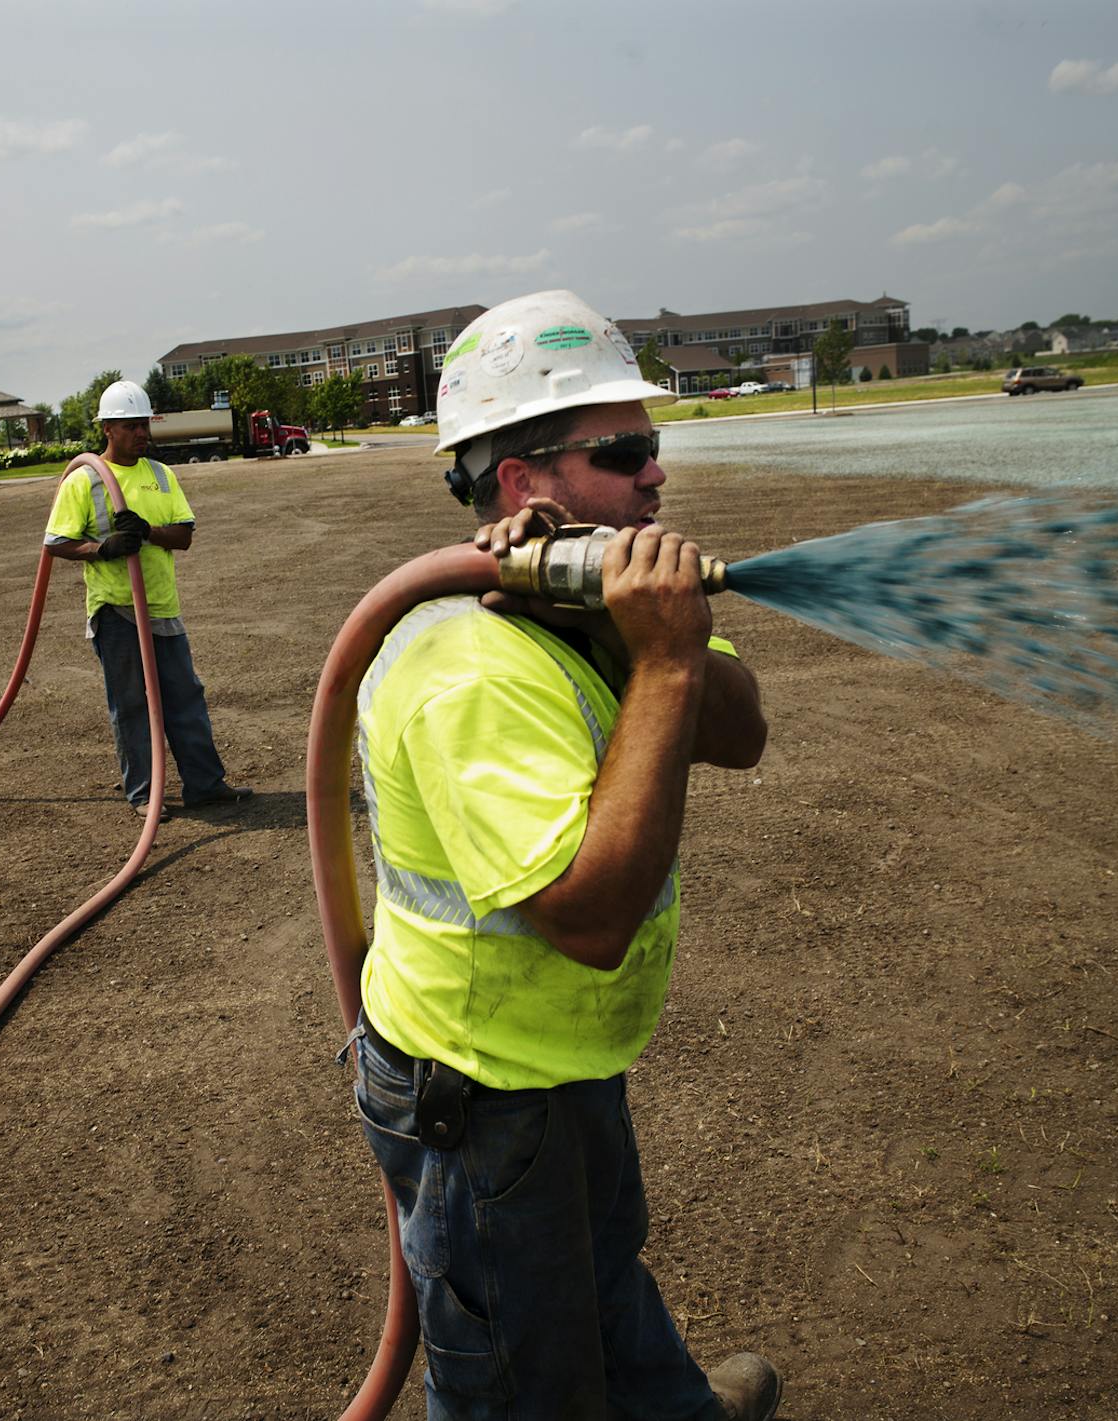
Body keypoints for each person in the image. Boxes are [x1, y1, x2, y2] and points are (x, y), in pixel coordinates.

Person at [347, 291, 778, 1420]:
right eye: (623, 451)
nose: (655, 477)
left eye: (653, 447)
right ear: (521, 482)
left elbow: (741, 734)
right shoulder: (470, 666)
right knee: (518, 1377)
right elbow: (590, 923)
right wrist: (667, 670)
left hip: (554, 1060)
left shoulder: (590, 611)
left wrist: (648, 640)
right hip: (481, 1095)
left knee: (594, 1275)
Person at [43, 380, 252, 817]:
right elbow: (57, 542)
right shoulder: (85, 481)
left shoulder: (161, 474)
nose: (142, 433)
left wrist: (148, 533)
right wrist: (102, 549)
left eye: (144, 425)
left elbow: (185, 535)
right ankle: (143, 794)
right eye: (131, 426)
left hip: (162, 607)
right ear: (108, 430)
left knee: (185, 697)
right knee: (132, 703)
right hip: (116, 610)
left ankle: (204, 785)